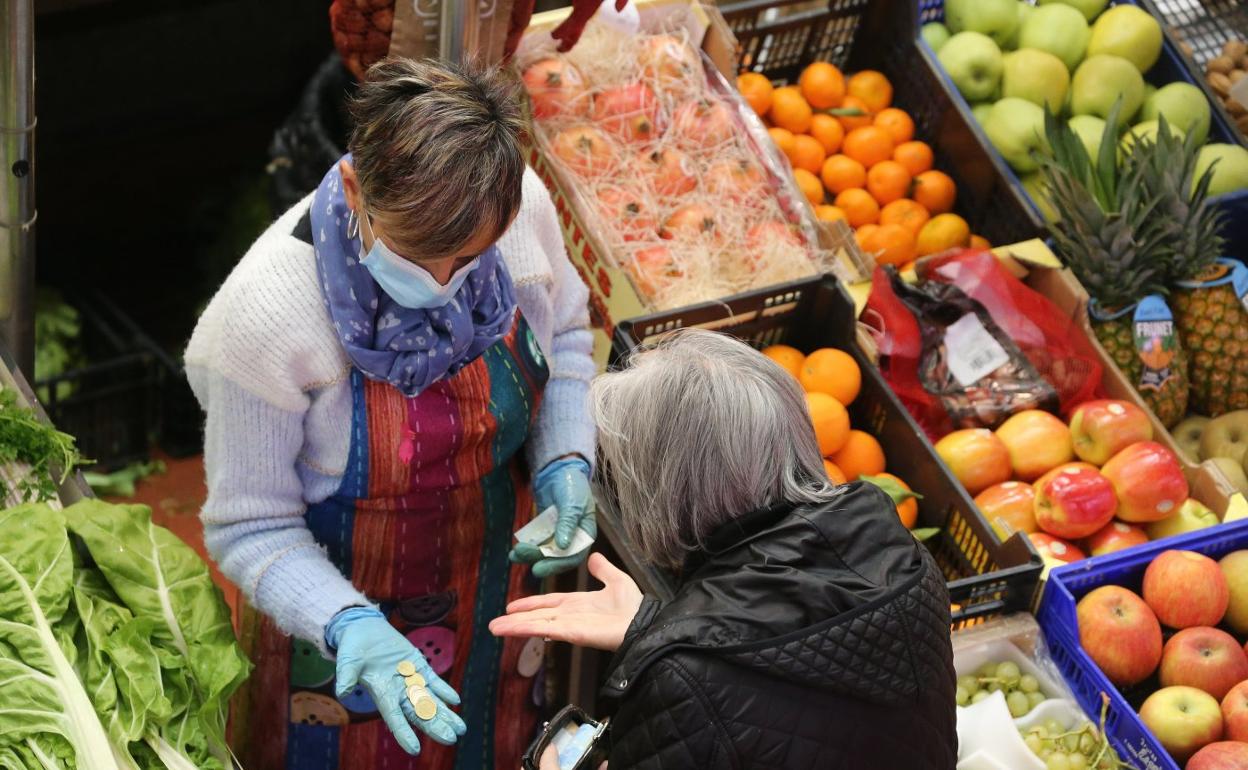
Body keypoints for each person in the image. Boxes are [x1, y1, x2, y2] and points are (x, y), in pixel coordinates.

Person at [186, 58, 597, 770]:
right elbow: (248, 524)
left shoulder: (520, 208)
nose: (443, 286)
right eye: (418, 256)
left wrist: (566, 456)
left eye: (468, 259)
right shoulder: (266, 321)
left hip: (499, 583)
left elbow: (564, 330)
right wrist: (347, 625)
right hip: (339, 615)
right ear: (353, 188)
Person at [491, 330, 959, 770]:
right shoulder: (904, 560)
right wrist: (660, 632)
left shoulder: (683, 688)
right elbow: (805, 671)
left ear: (665, 493)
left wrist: (671, 648)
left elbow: (734, 696)